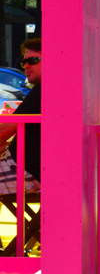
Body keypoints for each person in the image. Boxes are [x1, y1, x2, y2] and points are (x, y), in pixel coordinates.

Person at [0, 38, 42, 189]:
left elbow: (5, 131)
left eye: (34, 60)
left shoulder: (42, 90)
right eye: (25, 62)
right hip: (31, 170)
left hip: (26, 171)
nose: (27, 66)